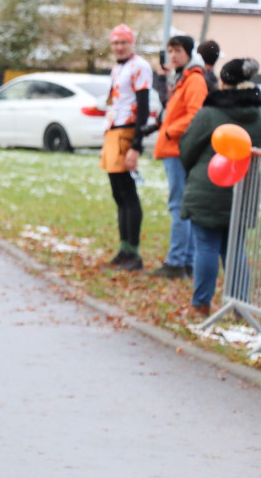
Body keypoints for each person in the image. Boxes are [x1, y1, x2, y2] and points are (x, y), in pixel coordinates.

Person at [179, 58, 261, 318]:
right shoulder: (258, 115)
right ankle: (240, 307)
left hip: (208, 187)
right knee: (236, 248)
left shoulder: (210, 113)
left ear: (223, 82)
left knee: (206, 246)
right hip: (245, 190)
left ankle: (201, 305)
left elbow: (187, 149)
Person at [149, 36, 209, 278]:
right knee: (182, 206)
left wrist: (170, 131)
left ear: (189, 52)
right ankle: (185, 261)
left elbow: (196, 114)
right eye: (170, 51)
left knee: (179, 206)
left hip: (178, 149)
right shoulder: (183, 78)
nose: (173, 55)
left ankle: (177, 261)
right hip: (174, 148)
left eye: (178, 51)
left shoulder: (193, 80)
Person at [101, 24, 153, 272]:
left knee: (128, 194)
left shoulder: (140, 66)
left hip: (127, 131)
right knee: (118, 194)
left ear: (131, 44)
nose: (119, 47)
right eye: (115, 43)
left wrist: (136, 145)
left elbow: (143, 108)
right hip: (113, 130)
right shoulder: (117, 68)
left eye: (123, 42)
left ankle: (134, 253)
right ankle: (123, 249)